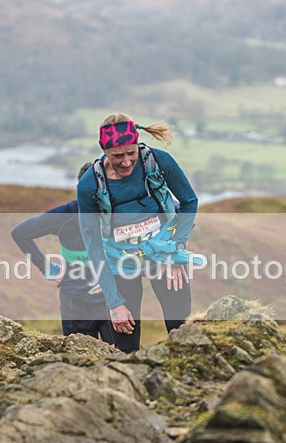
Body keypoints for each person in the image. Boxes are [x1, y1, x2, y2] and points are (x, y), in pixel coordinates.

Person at [77, 113, 200, 353]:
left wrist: (176, 251)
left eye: (131, 153)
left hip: (165, 253)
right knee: (125, 343)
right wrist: (114, 303)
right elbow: (93, 246)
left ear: (137, 145)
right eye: (117, 156)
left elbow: (189, 201)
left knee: (181, 330)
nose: (125, 162)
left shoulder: (158, 161)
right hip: (120, 260)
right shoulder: (89, 185)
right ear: (104, 149)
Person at [12, 162, 114, 343]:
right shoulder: (66, 215)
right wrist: (46, 268)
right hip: (77, 305)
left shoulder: (117, 212)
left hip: (113, 304)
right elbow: (20, 233)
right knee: (80, 365)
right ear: (80, 188)